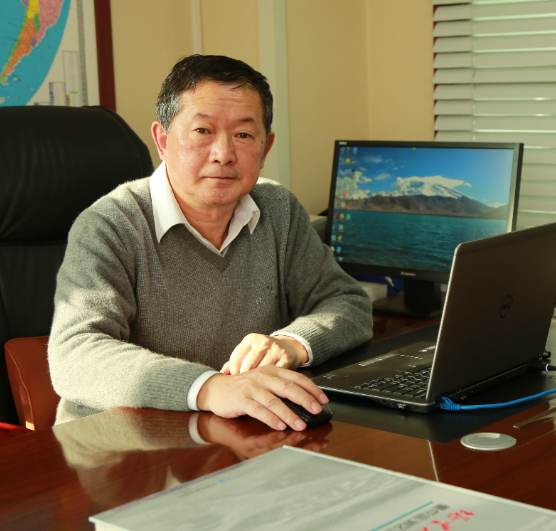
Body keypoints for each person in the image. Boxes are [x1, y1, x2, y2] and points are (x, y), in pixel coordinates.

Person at [48, 55, 373, 431]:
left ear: (265, 148)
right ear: (162, 141)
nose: (223, 154)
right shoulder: (110, 224)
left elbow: (347, 303)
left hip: (237, 433)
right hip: (120, 443)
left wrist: (292, 343)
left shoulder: (278, 209)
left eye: (243, 135)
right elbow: (75, 354)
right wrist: (207, 388)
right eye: (202, 131)